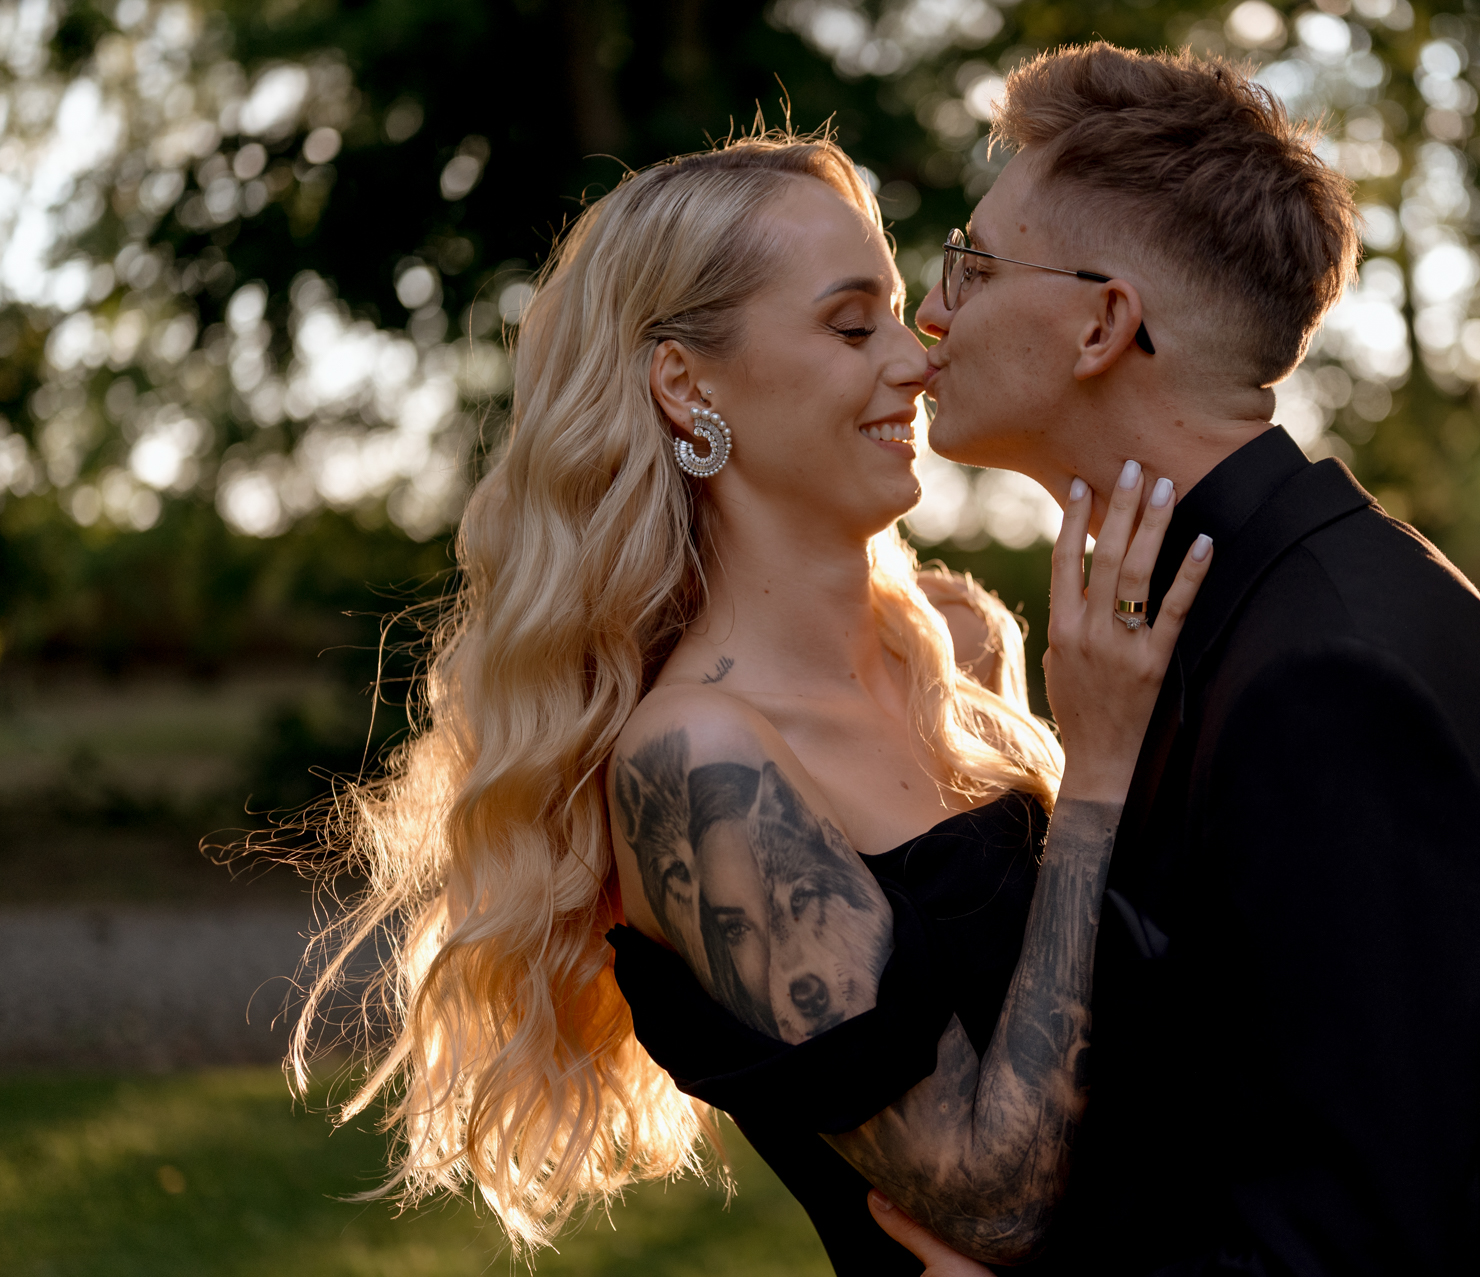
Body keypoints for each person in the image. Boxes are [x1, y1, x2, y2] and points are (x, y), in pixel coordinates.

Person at [289, 126, 1210, 1273]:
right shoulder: (700, 767)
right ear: (688, 385)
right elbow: (996, 1202)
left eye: (898, 311)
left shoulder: (959, 643)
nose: (918, 357)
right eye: (851, 325)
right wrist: (1099, 773)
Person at [879, 42, 1480, 1275]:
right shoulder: (1224, 616)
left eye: (971, 264)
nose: (932, 311)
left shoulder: (1332, 676)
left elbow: (1347, 1241)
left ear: (1101, 321)